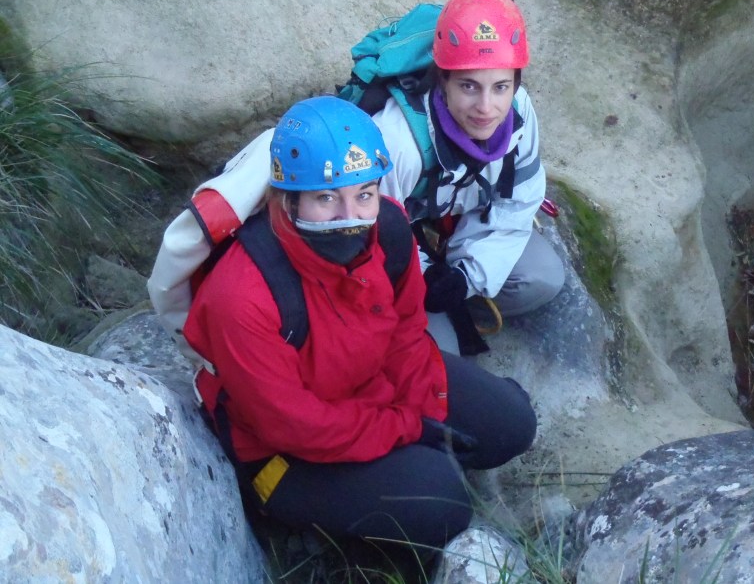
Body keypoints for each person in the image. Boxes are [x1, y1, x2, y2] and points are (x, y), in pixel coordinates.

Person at [183, 96, 536, 579]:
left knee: (510, 424)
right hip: (282, 451)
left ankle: (399, 475)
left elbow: (406, 333)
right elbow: (292, 426)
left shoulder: (386, 229)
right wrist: (405, 428)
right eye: (326, 198)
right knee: (442, 502)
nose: (350, 216)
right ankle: (328, 536)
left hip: (366, 385)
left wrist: (424, 407)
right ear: (288, 199)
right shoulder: (243, 296)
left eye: (364, 193)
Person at [374, 0, 565, 356]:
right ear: (442, 82)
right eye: (468, 86)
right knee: (444, 353)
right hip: (406, 244)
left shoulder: (519, 112)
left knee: (542, 278)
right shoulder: (398, 141)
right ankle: (426, 324)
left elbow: (519, 201)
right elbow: (371, 232)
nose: (486, 107)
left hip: (459, 221)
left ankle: (454, 308)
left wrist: (466, 278)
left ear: (515, 84)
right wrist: (424, 275)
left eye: (501, 87)